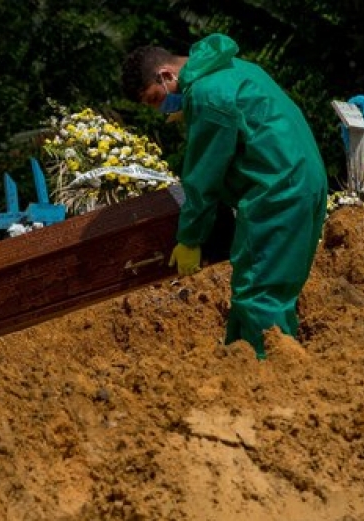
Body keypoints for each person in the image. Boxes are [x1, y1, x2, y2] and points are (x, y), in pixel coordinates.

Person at [121, 33, 328, 358]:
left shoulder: (207, 95)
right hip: (305, 179)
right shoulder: (234, 68)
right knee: (275, 285)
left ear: (166, 75)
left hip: (276, 191)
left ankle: (269, 377)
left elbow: (204, 178)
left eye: (154, 99)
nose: (159, 109)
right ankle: (241, 359)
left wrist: (190, 238)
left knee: (258, 290)